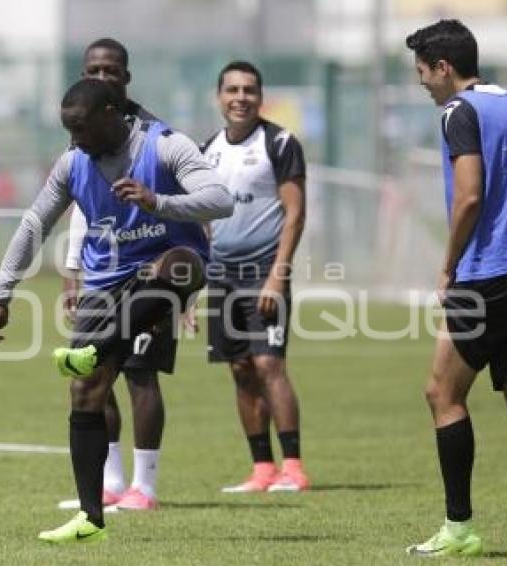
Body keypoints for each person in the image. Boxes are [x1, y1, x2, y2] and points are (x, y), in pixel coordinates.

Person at [0, 78, 233, 543]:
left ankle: (100, 354)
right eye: (68, 130)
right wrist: (1, 293)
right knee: (85, 393)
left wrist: (158, 201)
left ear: (110, 114)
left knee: (179, 267)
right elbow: (35, 223)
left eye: (80, 129)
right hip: (105, 283)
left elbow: (221, 201)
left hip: (168, 267)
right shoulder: (72, 162)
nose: (74, 139)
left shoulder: (165, 146)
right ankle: (89, 517)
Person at [405, 20, 507, 559]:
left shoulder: (459, 112)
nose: (422, 83)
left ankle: (461, 528)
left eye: (423, 72)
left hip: (490, 270)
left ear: (443, 68)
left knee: (442, 393)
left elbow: (469, 196)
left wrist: (448, 265)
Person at [59, 38, 176, 512]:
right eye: (93, 69)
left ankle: (144, 486)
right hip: (99, 275)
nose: (102, 76)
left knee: (140, 375)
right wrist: (72, 270)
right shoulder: (81, 131)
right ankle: (110, 482)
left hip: (149, 272)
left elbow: (190, 201)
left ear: (126, 77)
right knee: (93, 372)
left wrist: (177, 282)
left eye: (110, 70)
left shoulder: (154, 136)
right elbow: (82, 209)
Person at [200, 61, 310, 493]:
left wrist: (277, 277)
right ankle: (262, 468)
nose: (240, 97)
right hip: (220, 275)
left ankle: (294, 467)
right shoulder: (207, 149)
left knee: (269, 364)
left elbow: (295, 213)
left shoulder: (280, 143)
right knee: (241, 369)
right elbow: (201, 218)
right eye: (232, 90)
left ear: (260, 97)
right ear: (219, 97)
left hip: (264, 271)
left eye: (249, 90)